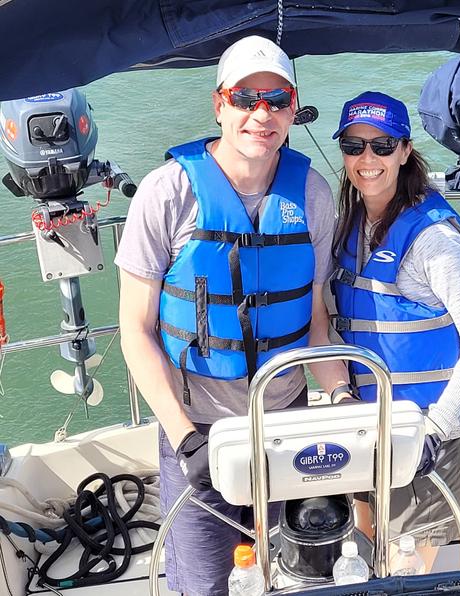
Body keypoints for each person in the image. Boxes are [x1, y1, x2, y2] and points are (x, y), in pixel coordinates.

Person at [114, 35, 349, 596]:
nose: (260, 114)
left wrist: (342, 403)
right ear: (219, 104)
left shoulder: (313, 194)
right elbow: (135, 330)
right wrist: (184, 437)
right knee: (205, 584)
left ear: (294, 109)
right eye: (245, 98)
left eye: (277, 99)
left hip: (288, 424)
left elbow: (317, 320)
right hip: (199, 432)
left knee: (305, 573)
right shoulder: (166, 193)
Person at [329, 91, 460, 569]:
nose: (368, 159)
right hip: (367, 425)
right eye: (354, 145)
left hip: (429, 433)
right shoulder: (352, 222)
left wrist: (433, 431)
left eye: (383, 146)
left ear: (405, 151)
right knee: (361, 551)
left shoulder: (434, 241)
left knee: (406, 570)